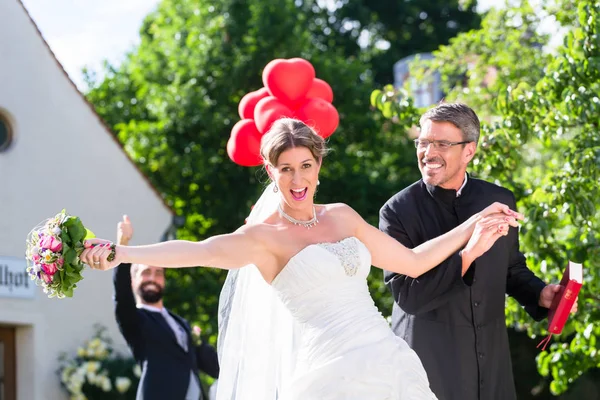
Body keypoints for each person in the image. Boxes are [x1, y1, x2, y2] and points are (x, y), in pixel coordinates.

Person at [82, 118, 522, 400]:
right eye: (286, 168)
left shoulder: (343, 217)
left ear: (318, 166)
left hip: (388, 361)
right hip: (331, 373)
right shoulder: (264, 239)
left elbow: (413, 261)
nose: (298, 179)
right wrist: (121, 253)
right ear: (270, 171)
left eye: (306, 166)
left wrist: (474, 224)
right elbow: (199, 252)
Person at [379, 103, 576, 400]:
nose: (428, 153)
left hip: (491, 359)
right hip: (428, 365)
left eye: (442, 144)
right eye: (423, 142)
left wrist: (540, 294)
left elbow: (511, 268)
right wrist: (466, 256)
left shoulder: (498, 198)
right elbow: (408, 297)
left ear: (469, 151)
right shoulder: (396, 211)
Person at [112, 215, 220, 400]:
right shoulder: (134, 319)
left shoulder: (180, 323)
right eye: (146, 272)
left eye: (158, 273)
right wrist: (122, 245)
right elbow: (121, 294)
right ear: (133, 280)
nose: (153, 278)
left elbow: (213, 365)